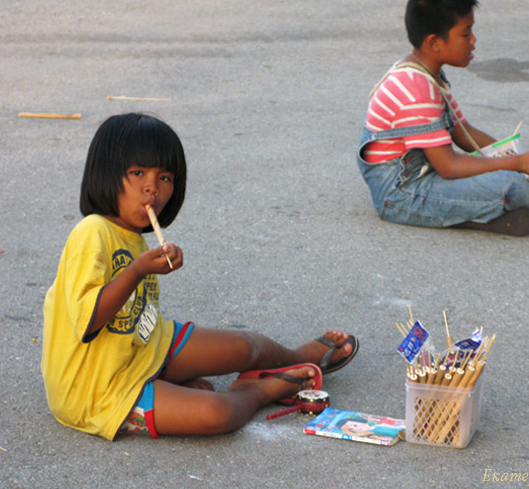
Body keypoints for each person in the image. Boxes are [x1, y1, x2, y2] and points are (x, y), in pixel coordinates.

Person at [41, 113, 359, 441]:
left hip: (144, 348)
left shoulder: (133, 237)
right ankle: (259, 391)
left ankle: (294, 357)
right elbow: (88, 320)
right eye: (137, 173)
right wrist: (138, 271)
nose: (152, 187)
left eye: (164, 177)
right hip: (97, 389)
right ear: (105, 174)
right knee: (216, 413)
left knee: (245, 346)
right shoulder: (91, 232)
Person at [357, 0, 529, 236]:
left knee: (513, 180)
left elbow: (464, 133)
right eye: (465, 34)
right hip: (400, 194)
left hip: (424, 174)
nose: (473, 41)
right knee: (510, 187)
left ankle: (517, 203)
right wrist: (518, 164)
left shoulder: (428, 75)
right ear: (435, 43)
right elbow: (449, 167)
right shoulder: (414, 87)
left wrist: (524, 163)